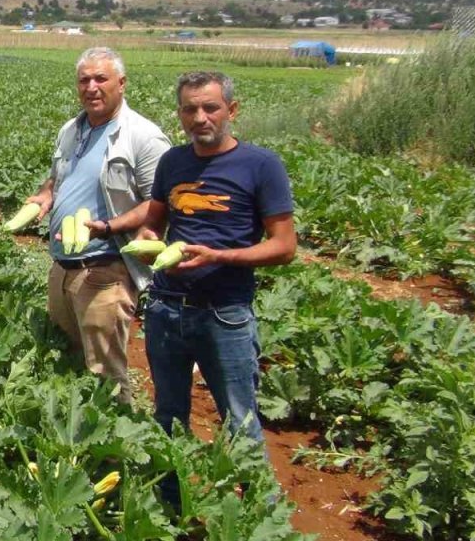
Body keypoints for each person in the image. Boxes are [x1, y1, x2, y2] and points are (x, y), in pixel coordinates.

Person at [137, 71, 296, 506]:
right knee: (168, 415)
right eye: (190, 109)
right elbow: (154, 221)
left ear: (232, 110)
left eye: (210, 107)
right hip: (166, 307)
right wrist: (150, 239)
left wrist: (219, 256)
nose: (200, 117)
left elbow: (284, 247)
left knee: (240, 420)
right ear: (181, 114)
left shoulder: (261, 165)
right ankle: (170, 507)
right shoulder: (172, 162)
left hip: (225, 312)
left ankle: (260, 520)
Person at [21, 47, 170, 404]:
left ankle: (114, 444)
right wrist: (45, 195)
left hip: (106, 268)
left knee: (105, 373)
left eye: (100, 78)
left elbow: (159, 202)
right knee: (66, 358)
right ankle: (74, 442)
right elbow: (58, 178)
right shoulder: (72, 129)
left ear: (121, 83)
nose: (91, 87)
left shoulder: (143, 137)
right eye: (84, 79)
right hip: (63, 266)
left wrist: (109, 226)